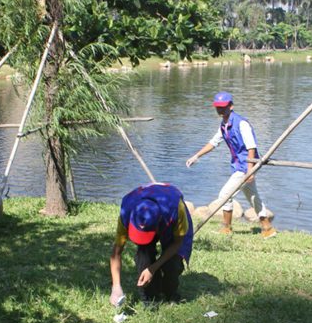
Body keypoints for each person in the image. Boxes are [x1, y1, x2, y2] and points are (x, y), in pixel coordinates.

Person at [186, 91, 276, 238]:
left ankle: (226, 228)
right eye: (218, 107)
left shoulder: (242, 124)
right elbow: (213, 143)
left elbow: (251, 147)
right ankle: (268, 228)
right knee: (252, 197)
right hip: (238, 165)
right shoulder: (224, 125)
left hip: (246, 166)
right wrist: (196, 156)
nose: (220, 109)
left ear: (231, 106)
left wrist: (250, 171)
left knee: (225, 194)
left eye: (223, 106)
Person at [110, 183, 193, 306]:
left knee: (173, 263)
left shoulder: (176, 209)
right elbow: (116, 253)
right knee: (143, 256)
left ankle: (170, 293)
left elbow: (177, 243)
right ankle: (149, 297)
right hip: (149, 209)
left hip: (169, 214)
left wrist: (153, 268)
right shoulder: (127, 211)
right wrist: (116, 286)